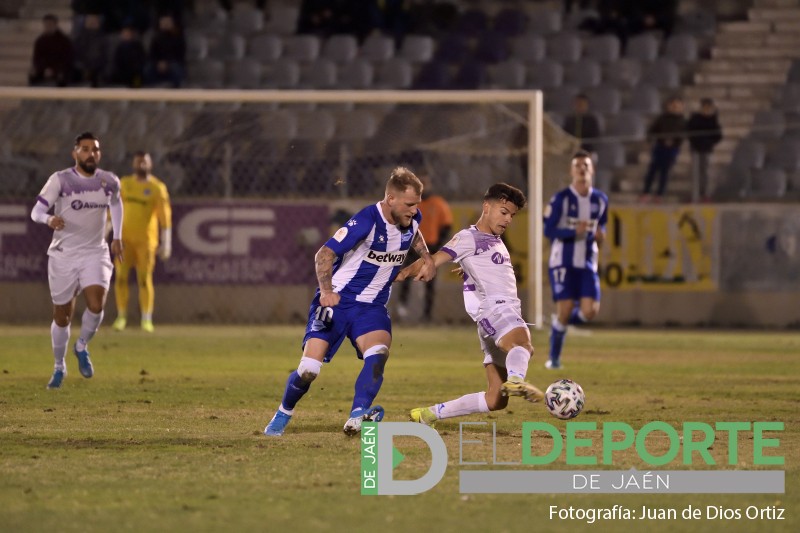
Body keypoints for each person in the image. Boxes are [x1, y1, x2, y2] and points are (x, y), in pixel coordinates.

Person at [263, 167, 436, 437]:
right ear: (391, 199)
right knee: (309, 370)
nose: (414, 211)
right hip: (337, 302)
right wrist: (326, 290)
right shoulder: (367, 220)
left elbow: (413, 233)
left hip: (372, 308)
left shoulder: (411, 218)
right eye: (409, 204)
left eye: (417, 205)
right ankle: (283, 412)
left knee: (378, 355)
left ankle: (358, 415)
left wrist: (426, 258)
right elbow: (324, 253)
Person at [399, 183, 544, 428]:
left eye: (512, 215)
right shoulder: (470, 237)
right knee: (522, 344)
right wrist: (401, 273)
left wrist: (468, 272)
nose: (508, 219)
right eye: (503, 211)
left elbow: (484, 268)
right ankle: (517, 379)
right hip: (499, 310)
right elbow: (433, 260)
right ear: (486, 207)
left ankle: (429, 414)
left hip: (489, 319)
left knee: (495, 399)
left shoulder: (492, 239)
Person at [30, 132, 123, 389]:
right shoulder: (60, 180)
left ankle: (81, 346)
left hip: (95, 251)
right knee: (62, 316)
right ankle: (59, 366)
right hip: (64, 254)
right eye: (84, 149)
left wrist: (118, 235)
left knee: (96, 303)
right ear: (75, 153)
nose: (90, 153)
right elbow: (36, 211)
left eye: (94, 149)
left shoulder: (109, 181)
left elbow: (116, 204)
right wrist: (49, 219)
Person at [543, 150, 608, 369]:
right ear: (571, 171)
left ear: (592, 170)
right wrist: (573, 232)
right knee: (566, 308)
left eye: (586, 166)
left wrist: (601, 235)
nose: (582, 169)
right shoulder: (561, 199)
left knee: (590, 312)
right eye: (578, 166)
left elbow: (603, 225)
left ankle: (559, 324)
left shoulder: (600, 200)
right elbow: (549, 230)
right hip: (562, 261)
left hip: (588, 262)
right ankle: (554, 359)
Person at [112, 152, 172, 333]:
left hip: (146, 242)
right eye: (139, 161)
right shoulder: (124, 184)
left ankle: (146, 319)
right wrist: (107, 227)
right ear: (133, 164)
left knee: (144, 279)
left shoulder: (157, 188)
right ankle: (121, 316)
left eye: (145, 161)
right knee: (121, 278)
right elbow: (114, 208)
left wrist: (166, 242)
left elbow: (165, 217)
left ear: (151, 164)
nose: (142, 164)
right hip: (124, 240)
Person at [397, 173, 453, 321]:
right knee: (405, 275)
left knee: (430, 281)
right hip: (412, 247)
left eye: (425, 183)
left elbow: (447, 225)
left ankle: (427, 315)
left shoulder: (438, 203)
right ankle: (402, 310)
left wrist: (438, 245)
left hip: (430, 247)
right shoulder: (409, 203)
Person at [641, 96, 685, 201]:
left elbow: (682, 135)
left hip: (672, 149)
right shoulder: (662, 118)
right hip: (660, 147)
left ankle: (659, 194)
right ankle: (646, 192)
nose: (674, 107)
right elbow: (653, 130)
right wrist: (652, 139)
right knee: (652, 170)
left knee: (665, 172)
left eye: (676, 105)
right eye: (673, 105)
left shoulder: (682, 121)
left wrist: (673, 141)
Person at [686, 98, 722, 203]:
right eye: (704, 107)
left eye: (708, 107)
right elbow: (689, 131)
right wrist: (695, 142)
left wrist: (710, 142)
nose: (706, 109)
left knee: (706, 172)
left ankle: (706, 194)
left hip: (707, 149)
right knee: (695, 172)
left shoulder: (713, 120)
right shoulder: (695, 118)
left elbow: (718, 136)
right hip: (695, 148)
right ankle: (695, 195)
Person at [29, 14, 74, 87]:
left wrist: (54, 70)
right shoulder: (40, 40)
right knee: (32, 75)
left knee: (62, 76)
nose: (48, 26)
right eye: (46, 24)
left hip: (59, 69)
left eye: (50, 24)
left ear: (55, 25)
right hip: (44, 68)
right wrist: (44, 68)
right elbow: (37, 58)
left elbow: (67, 59)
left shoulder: (64, 40)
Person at [145, 15, 186, 88]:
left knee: (176, 69)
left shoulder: (178, 38)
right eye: (164, 22)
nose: (165, 24)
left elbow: (179, 54)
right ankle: (151, 89)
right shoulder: (156, 38)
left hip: (173, 62)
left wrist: (167, 62)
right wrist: (158, 62)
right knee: (148, 69)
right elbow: (152, 54)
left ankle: (176, 90)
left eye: (168, 22)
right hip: (158, 63)